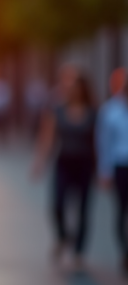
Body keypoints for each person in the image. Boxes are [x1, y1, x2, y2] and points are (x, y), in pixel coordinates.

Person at [33, 72, 97, 269]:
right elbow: (48, 137)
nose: (72, 91)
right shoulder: (57, 110)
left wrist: (104, 169)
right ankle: (63, 237)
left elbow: (100, 141)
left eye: (76, 87)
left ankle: (79, 252)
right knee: (57, 205)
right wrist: (40, 162)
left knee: (83, 209)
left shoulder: (93, 112)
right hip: (64, 162)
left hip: (86, 163)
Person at [97, 68, 128, 277]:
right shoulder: (110, 110)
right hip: (121, 165)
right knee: (122, 211)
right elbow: (104, 143)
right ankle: (125, 252)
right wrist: (104, 171)